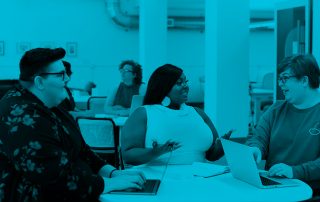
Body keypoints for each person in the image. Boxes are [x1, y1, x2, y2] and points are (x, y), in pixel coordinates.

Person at [0, 48, 146, 202]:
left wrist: (113, 173)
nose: (67, 78)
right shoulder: (22, 116)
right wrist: (108, 183)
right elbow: (55, 178)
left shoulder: (50, 104)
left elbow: (82, 150)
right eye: (61, 75)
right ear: (40, 82)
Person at [121, 64, 231, 165]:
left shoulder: (198, 113)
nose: (185, 86)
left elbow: (211, 155)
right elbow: (127, 155)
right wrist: (154, 152)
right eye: (179, 83)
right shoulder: (144, 113)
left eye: (185, 82)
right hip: (159, 178)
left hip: (198, 177)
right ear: (163, 87)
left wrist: (223, 145)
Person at [246, 54, 320, 191]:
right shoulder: (276, 109)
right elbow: (258, 137)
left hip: (308, 191)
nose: (280, 84)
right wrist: (255, 148)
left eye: (285, 78)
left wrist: (295, 171)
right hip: (273, 188)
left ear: (304, 81)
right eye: (280, 79)